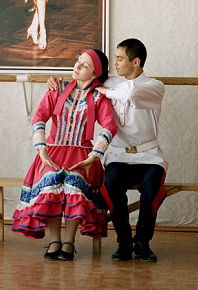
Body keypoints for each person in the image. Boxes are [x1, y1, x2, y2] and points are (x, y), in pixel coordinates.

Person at [48, 38, 167, 262]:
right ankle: (123, 243)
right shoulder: (112, 82)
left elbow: (131, 96)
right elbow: (83, 79)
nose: (116, 62)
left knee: (151, 189)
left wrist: (104, 90)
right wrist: (54, 80)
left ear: (136, 61)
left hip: (150, 156)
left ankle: (142, 243)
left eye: (120, 58)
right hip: (119, 155)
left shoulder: (154, 86)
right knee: (111, 186)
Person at [12, 49, 117, 260]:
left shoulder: (100, 96)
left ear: (96, 74)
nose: (77, 66)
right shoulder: (57, 88)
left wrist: (95, 155)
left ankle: (69, 241)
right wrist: (41, 148)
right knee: (52, 181)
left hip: (84, 155)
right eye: (78, 61)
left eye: (85, 65)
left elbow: (109, 126)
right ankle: (54, 240)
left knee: (73, 182)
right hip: (53, 150)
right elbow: (39, 118)